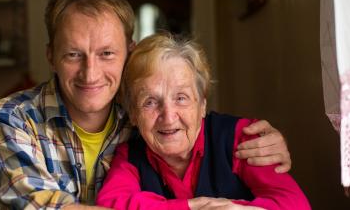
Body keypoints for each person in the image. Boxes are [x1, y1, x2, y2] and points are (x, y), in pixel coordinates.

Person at [0, 0, 290, 209]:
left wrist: (264, 144)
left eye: (106, 54)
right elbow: (39, 208)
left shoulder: (145, 109)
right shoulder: (14, 117)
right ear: (51, 56)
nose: (90, 73)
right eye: (73, 55)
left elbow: (191, 118)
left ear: (129, 52)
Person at [96, 32, 311, 210]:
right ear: (133, 113)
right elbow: (110, 204)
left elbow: (296, 205)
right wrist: (192, 207)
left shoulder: (240, 137)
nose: (169, 116)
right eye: (150, 102)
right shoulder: (129, 155)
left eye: (181, 98)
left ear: (203, 105)